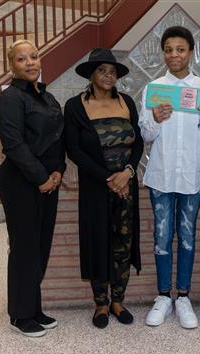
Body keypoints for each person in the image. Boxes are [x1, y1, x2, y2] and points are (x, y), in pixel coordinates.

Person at [139, 26, 200, 329]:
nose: (174, 55)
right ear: (164, 53)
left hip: (192, 179)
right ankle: (163, 296)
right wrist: (155, 120)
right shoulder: (153, 88)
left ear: (190, 52)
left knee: (186, 238)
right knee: (161, 237)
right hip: (160, 176)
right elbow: (145, 134)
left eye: (180, 49)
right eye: (169, 49)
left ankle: (183, 296)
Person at [64, 48, 143, 329]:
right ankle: (100, 303)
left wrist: (128, 173)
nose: (108, 76)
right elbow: (73, 149)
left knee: (123, 243)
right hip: (96, 189)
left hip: (127, 187)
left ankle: (118, 301)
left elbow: (139, 142)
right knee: (98, 242)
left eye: (112, 71)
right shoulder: (75, 106)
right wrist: (109, 179)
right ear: (91, 75)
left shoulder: (127, 102)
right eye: (102, 71)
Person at [0, 39, 65, 337]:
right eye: (22, 59)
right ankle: (21, 316)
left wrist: (58, 170)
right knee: (24, 249)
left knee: (39, 247)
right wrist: (41, 177)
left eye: (34, 57)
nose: (30, 63)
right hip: (21, 182)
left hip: (49, 181)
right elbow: (14, 144)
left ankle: (34, 308)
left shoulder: (45, 97)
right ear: (12, 65)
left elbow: (59, 137)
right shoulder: (10, 98)